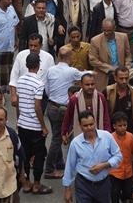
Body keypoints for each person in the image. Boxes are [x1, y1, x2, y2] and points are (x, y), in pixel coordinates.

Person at [62, 111, 124, 203]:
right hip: (83, 185)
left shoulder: (107, 136)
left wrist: (104, 165)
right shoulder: (75, 143)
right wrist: (67, 189)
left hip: (103, 184)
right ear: (80, 126)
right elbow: (69, 167)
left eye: (91, 124)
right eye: (85, 126)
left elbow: (118, 156)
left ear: (95, 123)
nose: (89, 128)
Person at [44, 45, 85, 179]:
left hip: (51, 106)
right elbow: (86, 76)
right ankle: (49, 168)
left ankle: (59, 162)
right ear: (68, 57)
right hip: (63, 109)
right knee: (58, 138)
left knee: (57, 133)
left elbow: (47, 89)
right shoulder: (71, 71)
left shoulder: (50, 70)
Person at [14, 52, 52, 195]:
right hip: (35, 126)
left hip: (23, 124)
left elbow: (17, 103)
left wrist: (18, 119)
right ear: (39, 65)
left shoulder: (21, 80)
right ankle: (36, 184)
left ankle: (26, 182)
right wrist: (43, 126)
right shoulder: (39, 83)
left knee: (25, 154)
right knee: (39, 155)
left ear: (26, 65)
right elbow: (37, 106)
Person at [63, 72, 112, 142]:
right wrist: (64, 132)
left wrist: (108, 132)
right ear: (81, 85)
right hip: (79, 136)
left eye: (92, 84)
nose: (90, 87)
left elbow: (105, 117)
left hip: (98, 136)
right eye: (87, 84)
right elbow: (68, 117)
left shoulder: (100, 97)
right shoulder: (74, 99)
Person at [109, 111, 133, 203]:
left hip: (128, 172)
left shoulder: (130, 136)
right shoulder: (110, 138)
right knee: (114, 194)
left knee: (127, 194)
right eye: (120, 125)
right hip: (114, 172)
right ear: (114, 126)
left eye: (124, 125)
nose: (123, 128)